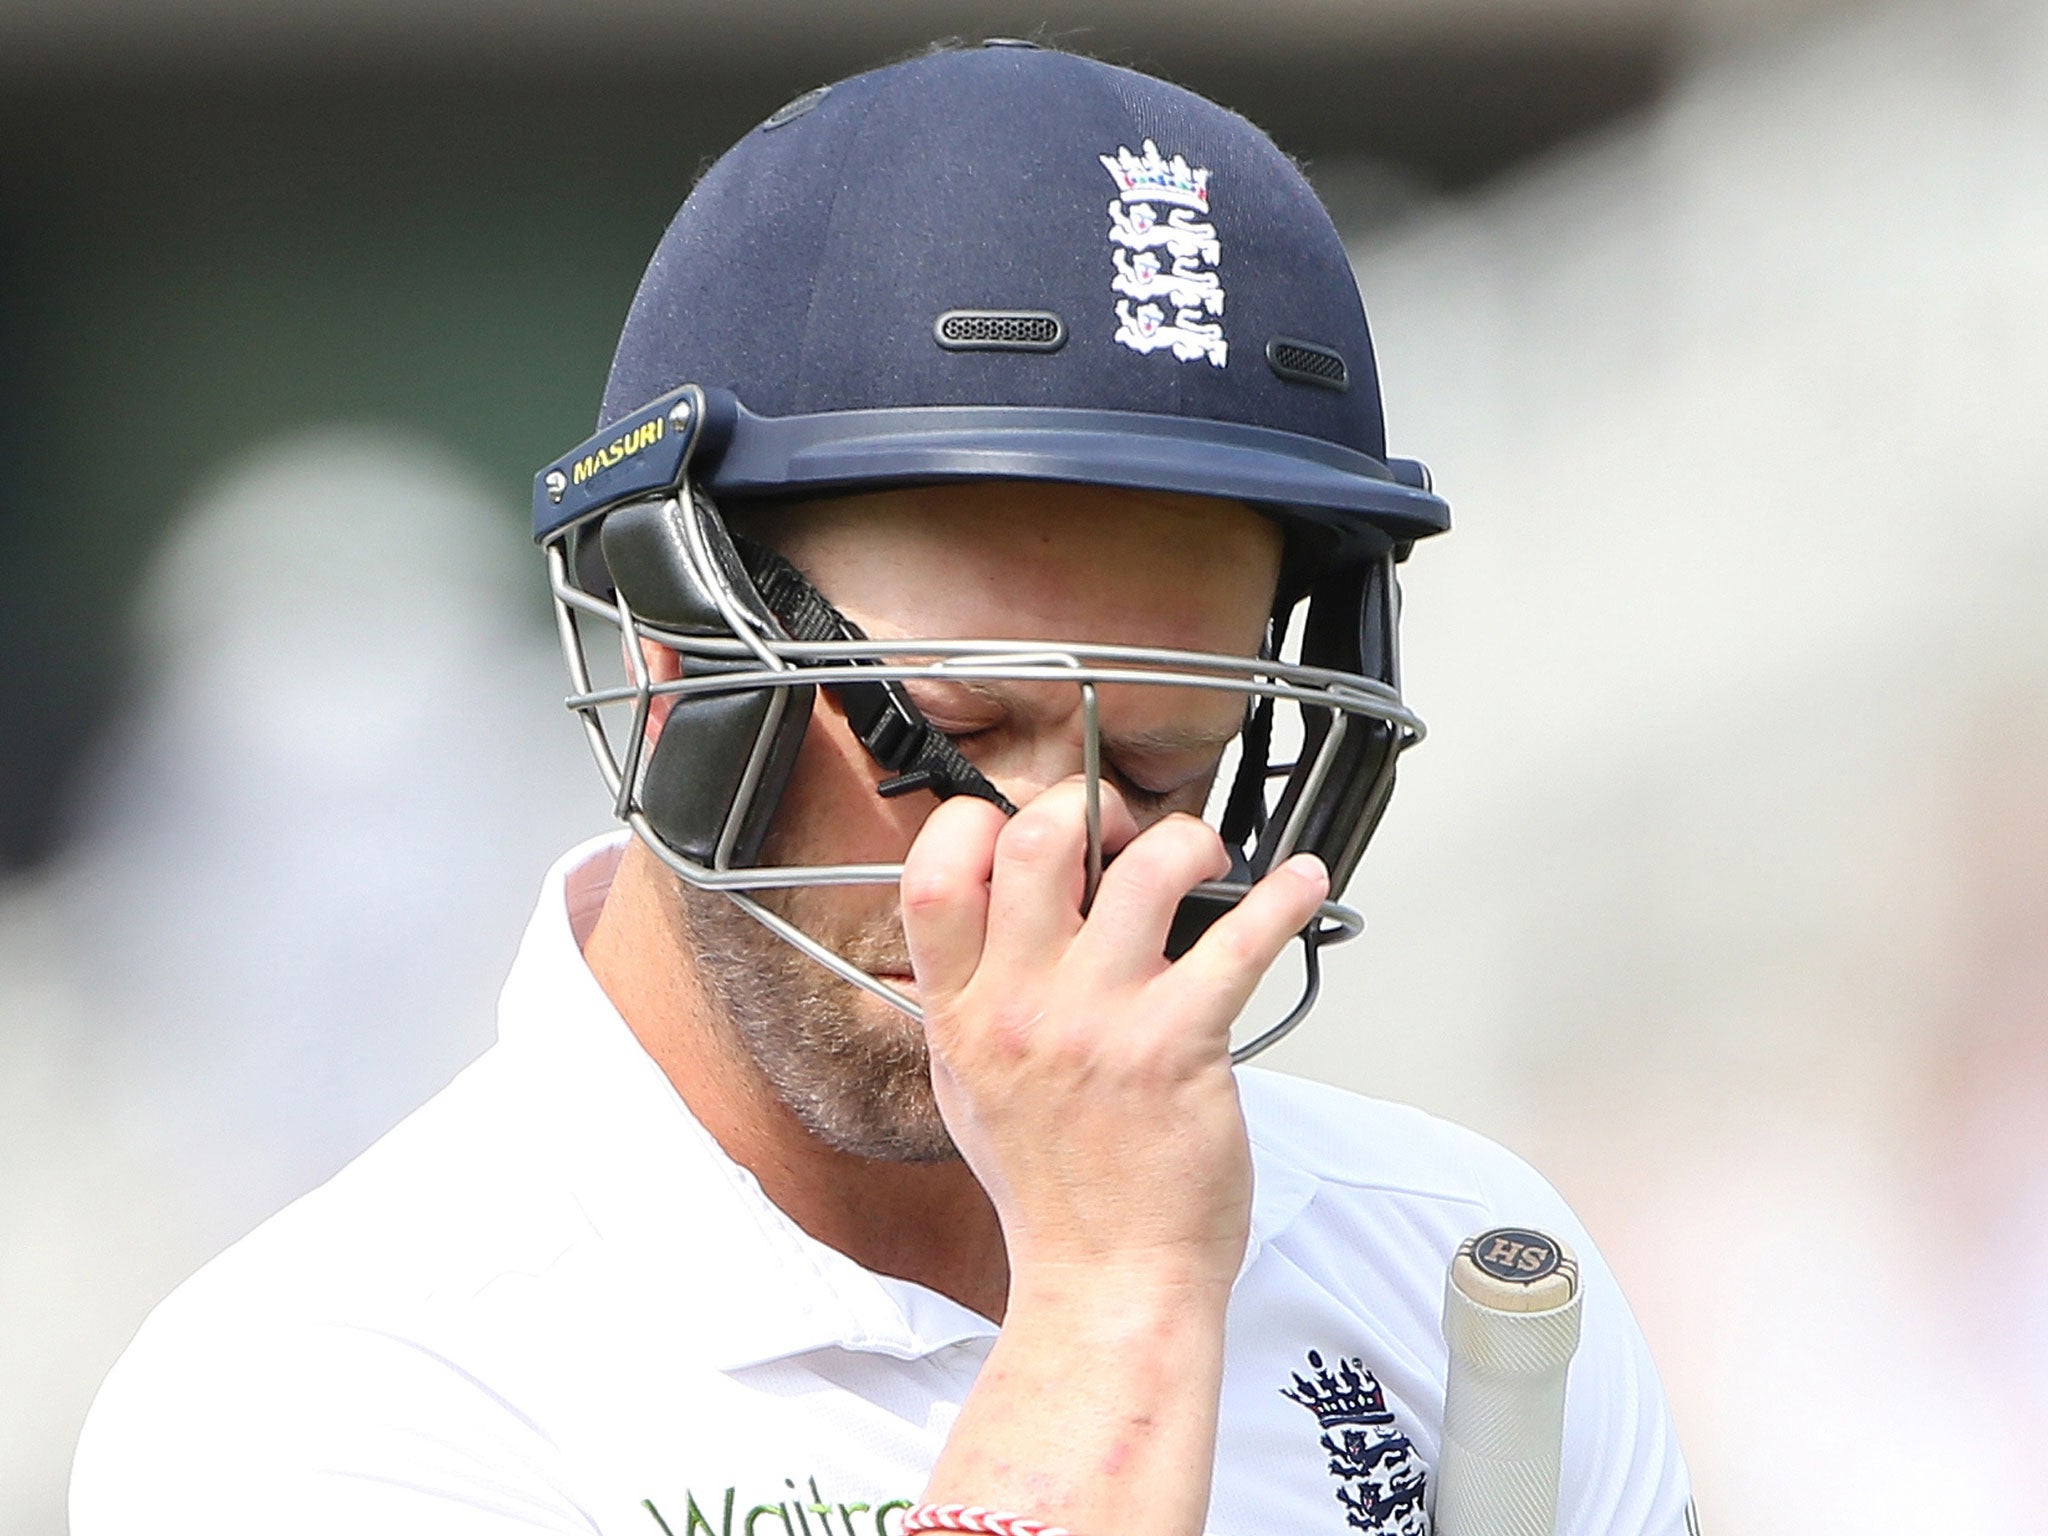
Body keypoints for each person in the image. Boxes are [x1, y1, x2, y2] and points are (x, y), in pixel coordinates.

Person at [71, 42, 1695, 1536]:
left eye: (1162, 763)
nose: (1059, 866)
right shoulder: (324, 1396)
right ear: (674, 665)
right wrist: (1116, 1295)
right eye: (961, 733)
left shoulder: (1447, 1256)